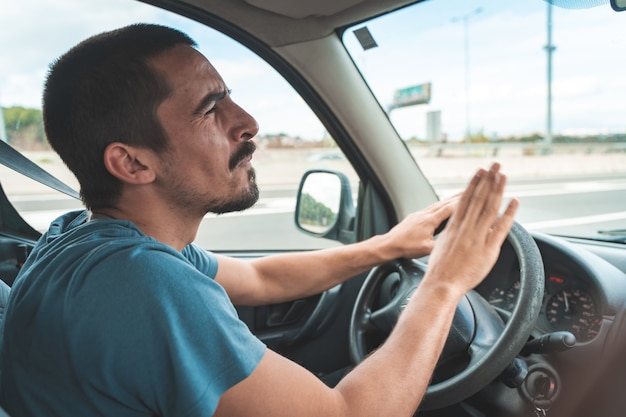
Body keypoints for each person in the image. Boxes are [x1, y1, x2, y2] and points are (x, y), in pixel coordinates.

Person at [0, 23, 518, 417]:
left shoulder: (80, 236)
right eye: (210, 110)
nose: (247, 122)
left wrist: (385, 246)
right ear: (133, 163)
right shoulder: (141, 283)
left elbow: (259, 277)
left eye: (228, 97)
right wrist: (447, 283)